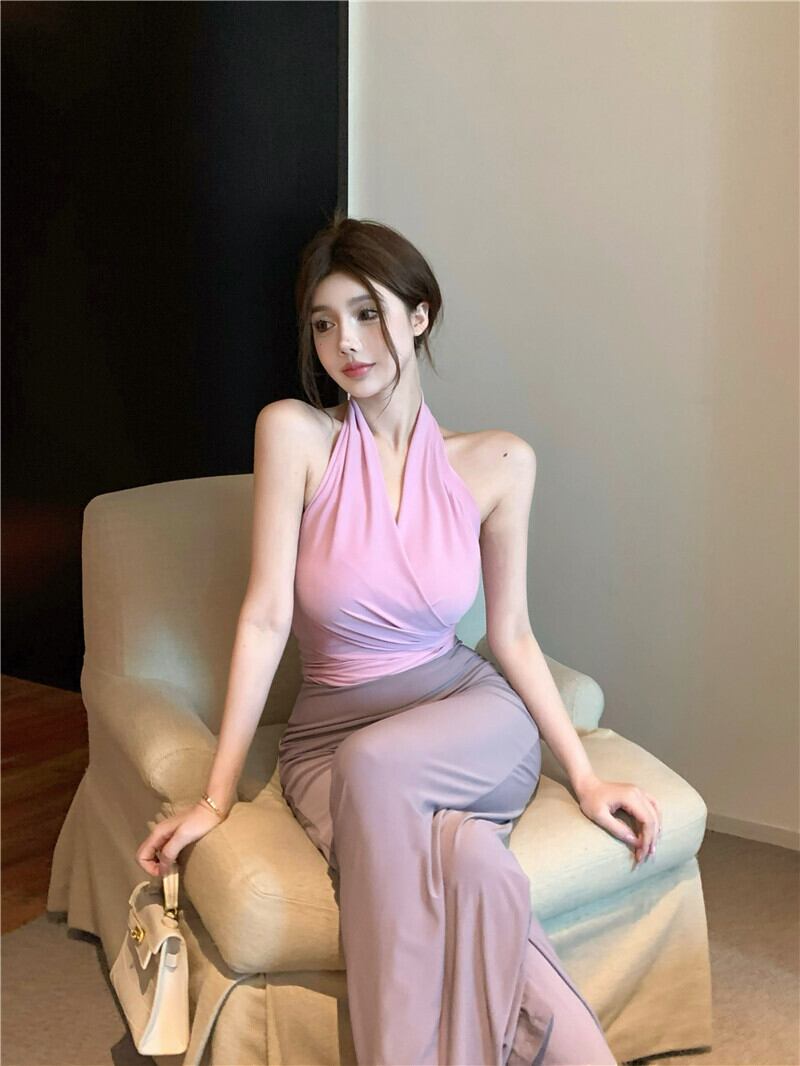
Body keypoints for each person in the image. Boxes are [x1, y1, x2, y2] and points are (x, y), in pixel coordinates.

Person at [137, 213, 661, 1066]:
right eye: (324, 323)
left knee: (377, 766)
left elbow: (511, 635)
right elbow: (266, 616)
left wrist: (587, 774)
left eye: (367, 313)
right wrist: (217, 796)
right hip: (327, 743)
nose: (345, 342)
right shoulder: (294, 435)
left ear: (419, 316)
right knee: (474, 869)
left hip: (466, 716)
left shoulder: (498, 462)